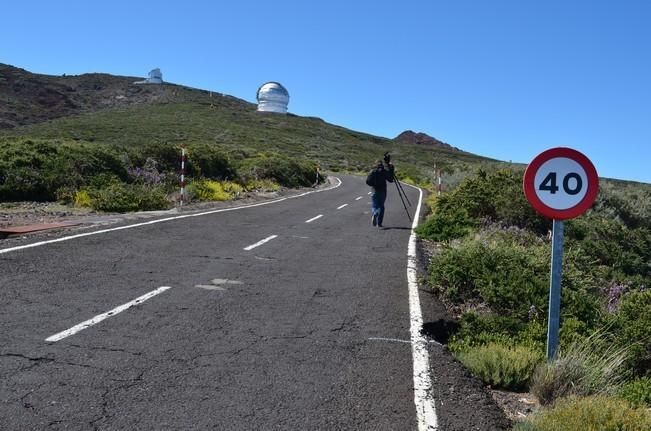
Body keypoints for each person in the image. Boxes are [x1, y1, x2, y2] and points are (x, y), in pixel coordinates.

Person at [366, 156, 395, 228]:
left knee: (375, 205)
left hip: (374, 190)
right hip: (383, 191)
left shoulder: (372, 171)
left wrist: (373, 185)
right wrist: (391, 169)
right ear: (382, 164)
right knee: (381, 206)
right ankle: (379, 223)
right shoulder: (384, 171)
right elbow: (391, 180)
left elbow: (367, 181)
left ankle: (375, 213)